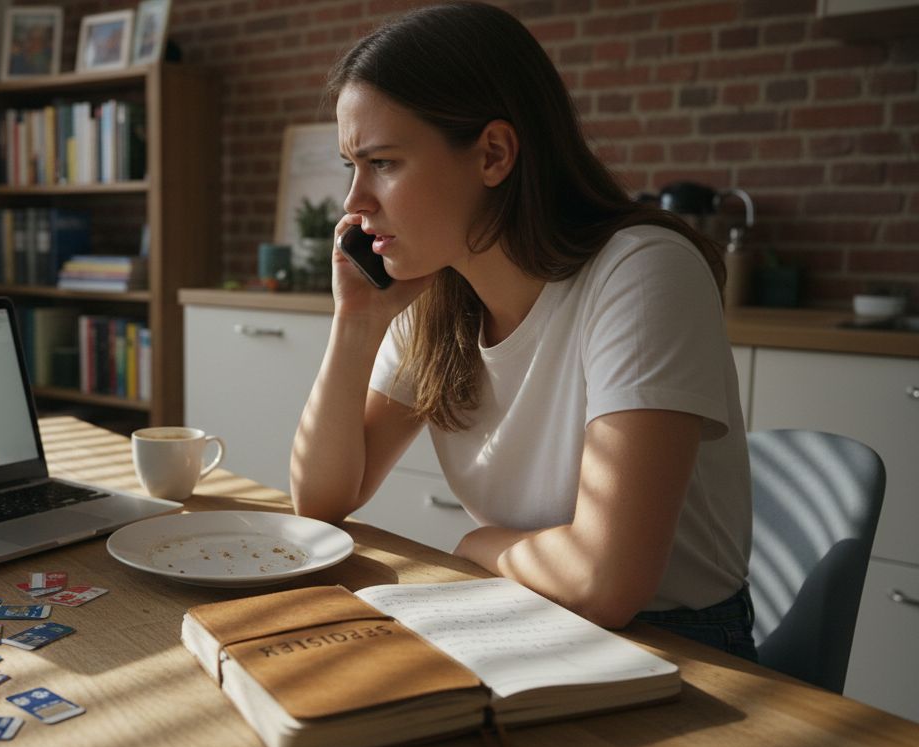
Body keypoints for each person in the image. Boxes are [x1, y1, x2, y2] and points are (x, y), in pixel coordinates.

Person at [290, 2, 756, 660]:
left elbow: (606, 582)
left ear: (494, 154)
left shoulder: (642, 274)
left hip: (680, 648)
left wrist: (480, 544)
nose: (354, 203)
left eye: (384, 163)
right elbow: (320, 499)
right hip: (527, 608)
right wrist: (356, 323)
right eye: (352, 166)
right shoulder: (436, 296)